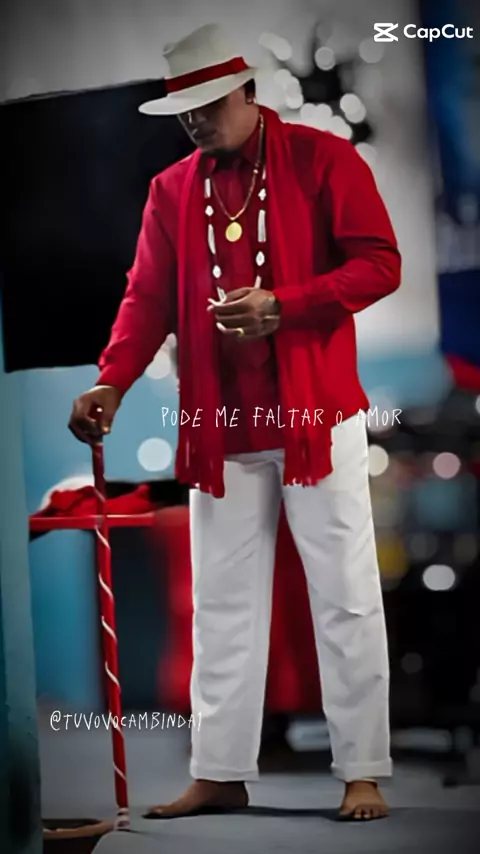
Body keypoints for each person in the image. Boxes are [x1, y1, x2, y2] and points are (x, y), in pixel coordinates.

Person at [68, 23, 401, 821]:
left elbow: (380, 264)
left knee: (345, 593)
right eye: (184, 111)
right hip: (220, 425)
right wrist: (111, 380)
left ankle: (363, 768)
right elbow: (147, 298)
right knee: (218, 601)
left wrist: (287, 304)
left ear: (248, 93)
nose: (195, 121)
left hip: (316, 416)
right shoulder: (170, 189)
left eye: (209, 105)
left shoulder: (326, 160)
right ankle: (219, 771)